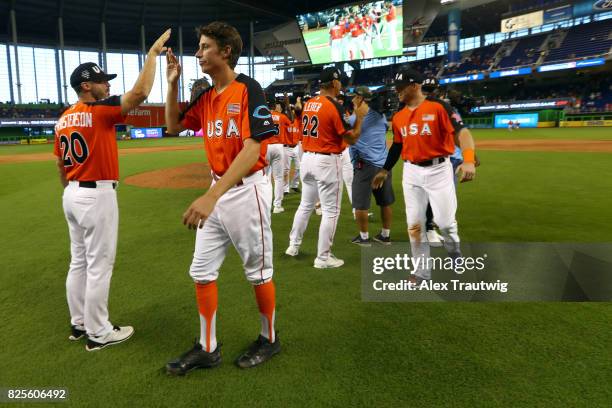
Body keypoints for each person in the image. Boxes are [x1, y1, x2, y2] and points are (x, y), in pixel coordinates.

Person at [164, 21, 279, 375]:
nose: (198, 53)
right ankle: (207, 348)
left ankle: (269, 338)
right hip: (218, 191)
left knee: (258, 273)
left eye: (204, 47)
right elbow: (173, 126)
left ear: (225, 51)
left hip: (247, 192)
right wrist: (170, 85)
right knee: (201, 271)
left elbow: (253, 147)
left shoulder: (248, 88)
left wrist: (211, 196)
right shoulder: (207, 95)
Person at [54, 29, 171, 351]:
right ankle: (98, 332)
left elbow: (59, 165)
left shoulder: (63, 118)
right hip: (95, 194)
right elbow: (140, 93)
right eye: (102, 81)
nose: (108, 85)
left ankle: (79, 324)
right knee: (99, 265)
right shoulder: (99, 112)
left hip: (72, 193)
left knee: (78, 262)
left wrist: (72, 191)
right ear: (86, 86)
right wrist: (151, 56)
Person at [372, 67, 476, 282]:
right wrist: (384, 170)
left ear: (415, 86)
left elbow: (463, 133)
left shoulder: (439, 107)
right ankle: (422, 272)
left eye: (401, 87)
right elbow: (397, 147)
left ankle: (455, 253)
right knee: (415, 224)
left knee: (445, 223)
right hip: (411, 172)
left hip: (439, 170)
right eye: (396, 87)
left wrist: (468, 160)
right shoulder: (399, 117)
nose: (397, 91)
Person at [285, 67, 365, 268]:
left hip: (308, 159)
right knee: (331, 211)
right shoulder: (333, 106)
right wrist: (361, 117)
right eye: (340, 82)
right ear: (334, 83)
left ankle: (293, 246)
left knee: (305, 206)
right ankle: (323, 258)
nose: (341, 85)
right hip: (327, 160)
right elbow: (351, 139)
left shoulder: (310, 103)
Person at [346, 86, 395, 246]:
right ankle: (385, 235)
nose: (352, 99)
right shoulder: (380, 116)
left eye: (354, 97)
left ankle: (364, 237)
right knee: (385, 202)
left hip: (365, 165)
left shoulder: (354, 120)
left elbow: (348, 136)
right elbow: (385, 128)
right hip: (384, 165)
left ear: (360, 98)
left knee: (361, 204)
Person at [267, 100, 290, 213]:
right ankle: (277, 206)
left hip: (266, 147)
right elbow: (290, 122)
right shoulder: (281, 116)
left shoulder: (264, 116)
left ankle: (265, 204)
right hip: (279, 147)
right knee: (278, 178)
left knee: (265, 178)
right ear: (275, 107)